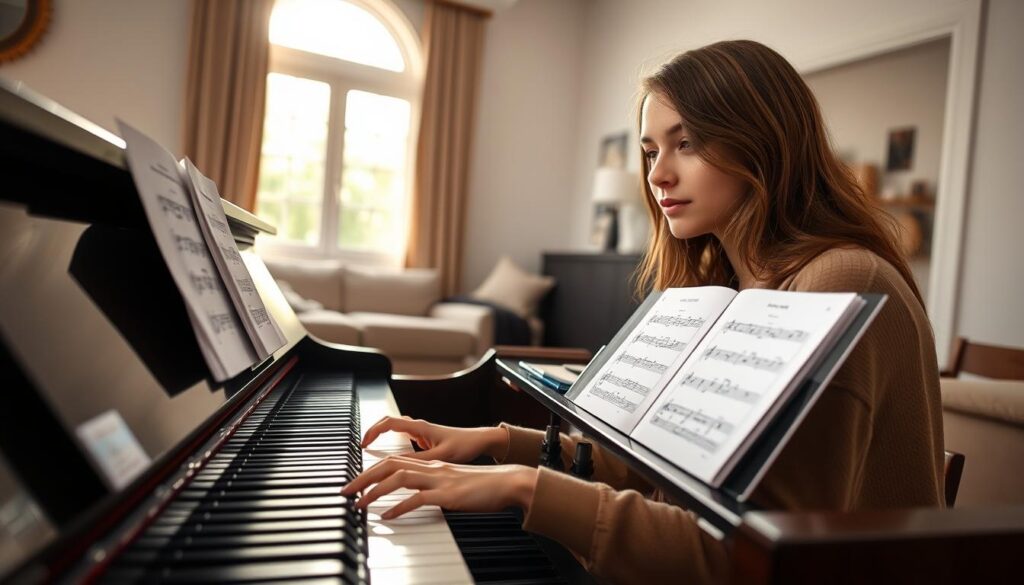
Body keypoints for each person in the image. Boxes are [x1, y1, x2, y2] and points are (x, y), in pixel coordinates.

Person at [341, 40, 944, 584]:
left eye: (688, 143)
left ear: (764, 139)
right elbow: (651, 470)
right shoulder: (728, 288)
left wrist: (524, 484)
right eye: (652, 150)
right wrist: (496, 443)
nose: (658, 173)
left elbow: (750, 554)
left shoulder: (840, 279)